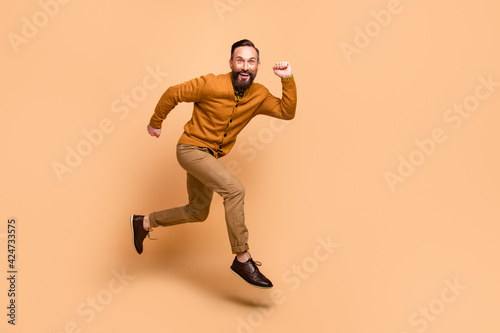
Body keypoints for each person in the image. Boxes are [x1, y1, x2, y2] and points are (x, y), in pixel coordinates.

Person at [130, 39, 297, 288]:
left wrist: (287, 79)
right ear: (231, 63)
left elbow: (286, 111)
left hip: (209, 157)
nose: (245, 66)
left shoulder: (259, 94)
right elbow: (173, 93)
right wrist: (156, 121)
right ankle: (242, 257)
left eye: (251, 62)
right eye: (240, 60)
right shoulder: (210, 84)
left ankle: (144, 222)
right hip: (190, 149)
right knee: (235, 190)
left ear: (258, 66)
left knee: (198, 211)